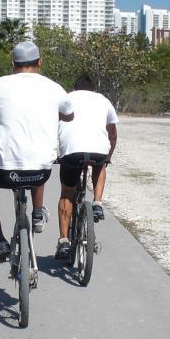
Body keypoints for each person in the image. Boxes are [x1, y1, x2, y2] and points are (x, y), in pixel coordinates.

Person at [0, 41, 74, 262]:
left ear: (13, 64)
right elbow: (69, 115)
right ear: (40, 62)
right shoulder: (54, 87)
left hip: (5, 173)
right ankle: (37, 213)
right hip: (41, 173)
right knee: (39, 158)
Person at [54, 74, 118, 263]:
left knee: (67, 193)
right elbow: (112, 134)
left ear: (75, 88)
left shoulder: (66, 99)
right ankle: (97, 203)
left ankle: (64, 241)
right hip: (97, 150)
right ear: (94, 88)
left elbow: (53, 127)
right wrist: (109, 156)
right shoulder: (104, 100)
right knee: (101, 164)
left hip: (71, 152)